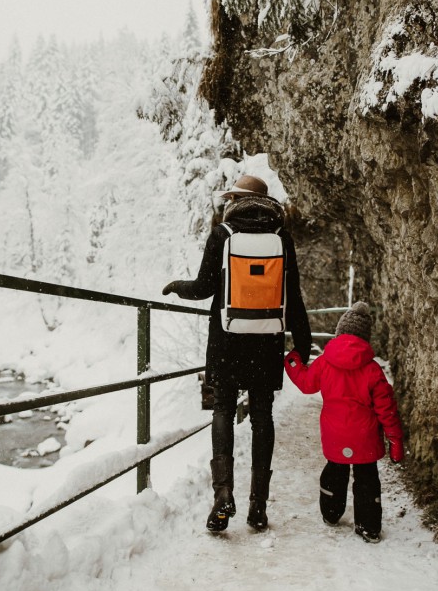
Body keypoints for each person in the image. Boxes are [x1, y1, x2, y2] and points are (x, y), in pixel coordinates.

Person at [162, 174, 312, 533]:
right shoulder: (281, 238)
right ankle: (258, 507)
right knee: (262, 418)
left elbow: (202, 289)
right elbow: (294, 298)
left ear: (238, 200)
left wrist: (175, 287)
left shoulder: (223, 234)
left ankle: (222, 496)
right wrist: (302, 348)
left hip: (227, 341)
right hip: (267, 340)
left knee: (224, 411)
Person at [283, 300, 404, 543]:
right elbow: (386, 409)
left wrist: (293, 361)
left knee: (334, 472)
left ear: (339, 333)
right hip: (365, 437)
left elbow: (307, 384)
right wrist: (395, 439)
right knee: (367, 479)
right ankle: (368, 526)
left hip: (335, 435)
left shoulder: (326, 362)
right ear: (364, 338)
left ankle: (331, 512)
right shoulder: (372, 370)